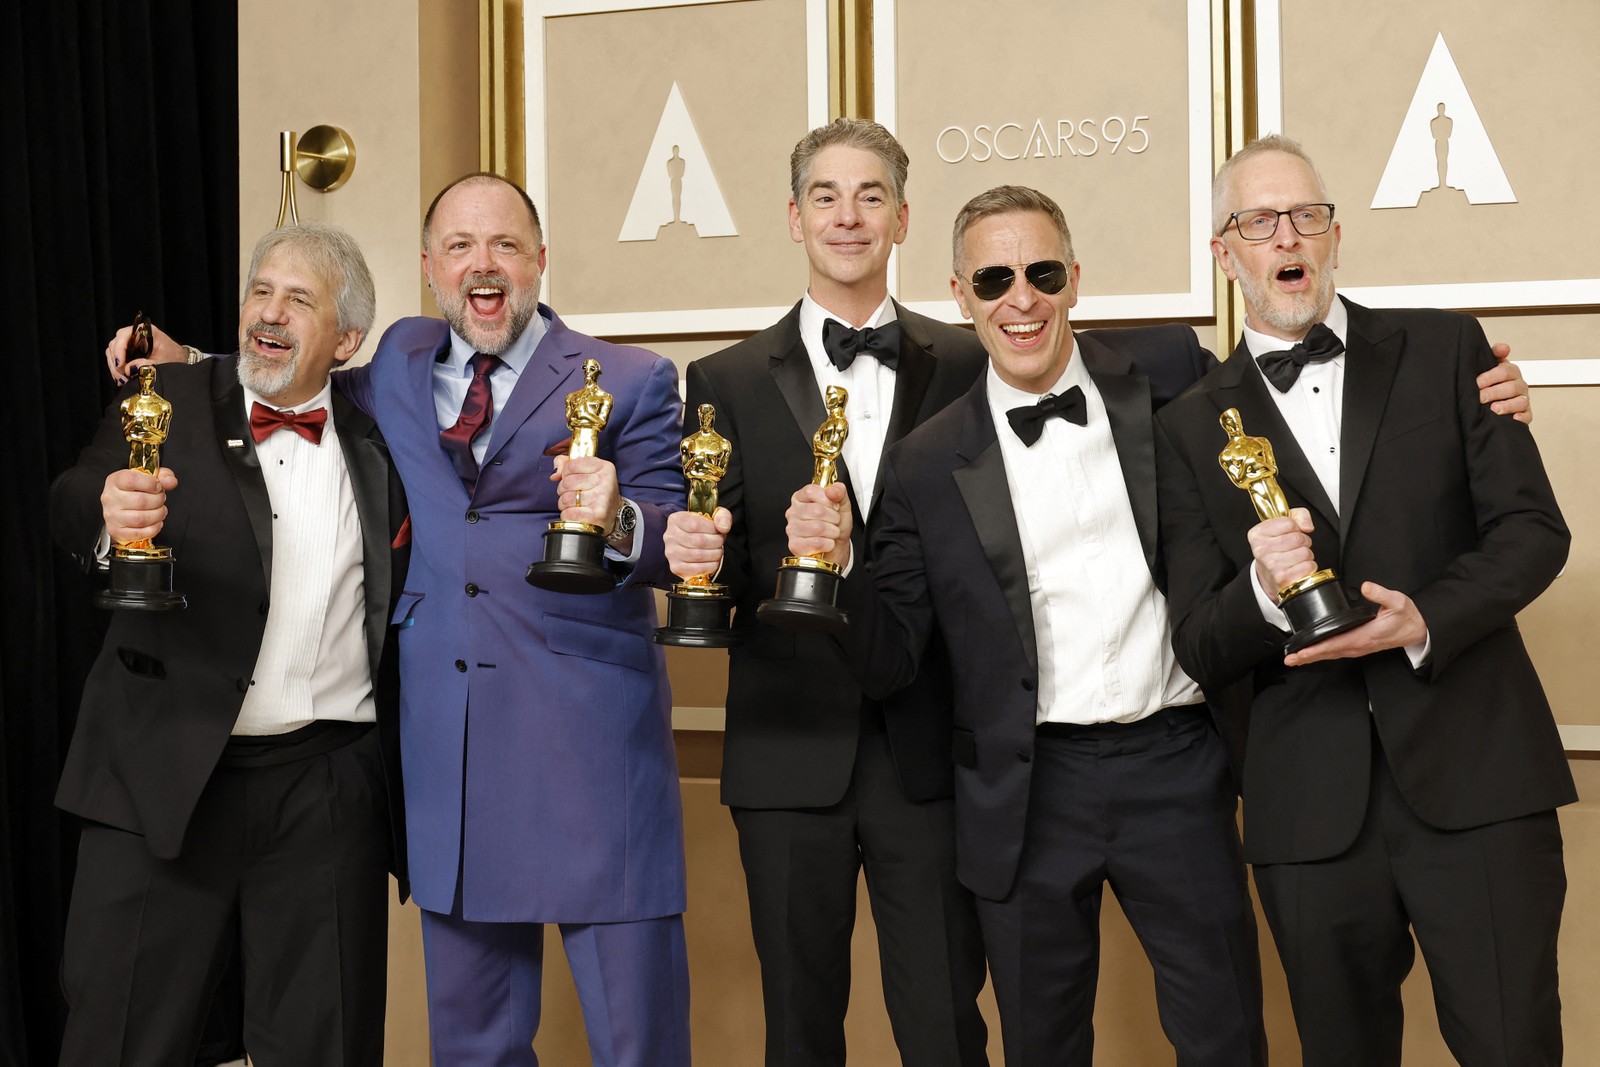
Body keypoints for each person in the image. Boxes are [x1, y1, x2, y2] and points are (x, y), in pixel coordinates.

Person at [109, 173, 690, 1066]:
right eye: (459, 247)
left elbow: (669, 541)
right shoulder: (397, 365)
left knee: (638, 1039)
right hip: (448, 748)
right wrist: (191, 360)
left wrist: (616, 513)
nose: (482, 265)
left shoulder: (633, 378)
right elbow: (296, 375)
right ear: (430, 268)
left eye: (504, 245)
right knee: (474, 1043)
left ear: (541, 259)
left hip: (591, 746)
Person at [789, 184, 1266, 1066]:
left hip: (1176, 764)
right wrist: (839, 568)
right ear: (961, 295)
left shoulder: (1168, 375)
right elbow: (892, 656)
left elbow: (1295, 402)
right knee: (1042, 1047)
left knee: (1226, 1035)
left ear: (1074, 280)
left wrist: (1477, 390)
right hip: (1027, 786)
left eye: (1042, 272)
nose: (1022, 298)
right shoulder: (925, 461)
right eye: (995, 277)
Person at [1154, 134, 1573, 1067]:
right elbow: (1195, 638)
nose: (1286, 235)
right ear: (1225, 252)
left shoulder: (1446, 346)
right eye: (1258, 221)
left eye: (1305, 214)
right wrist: (1263, 595)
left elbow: (1534, 532)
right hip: (1309, 814)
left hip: (1480, 779)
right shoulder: (1185, 427)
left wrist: (1429, 617)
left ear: (1335, 233)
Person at [661, 118, 992, 1066]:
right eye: (826, 197)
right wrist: (694, 552)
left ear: (902, 220)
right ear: (795, 219)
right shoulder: (721, 378)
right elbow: (716, 571)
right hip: (787, 750)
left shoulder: (968, 363)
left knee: (945, 1026)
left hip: (927, 752)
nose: (848, 216)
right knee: (799, 1030)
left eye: (871, 196)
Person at [52, 222, 407, 1065]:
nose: (271, 312)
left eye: (299, 299)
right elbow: (69, 497)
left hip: (326, 788)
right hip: (160, 771)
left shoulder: (385, 430)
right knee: (121, 1036)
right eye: (261, 291)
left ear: (348, 340)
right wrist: (106, 512)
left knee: (324, 1041)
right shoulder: (170, 398)